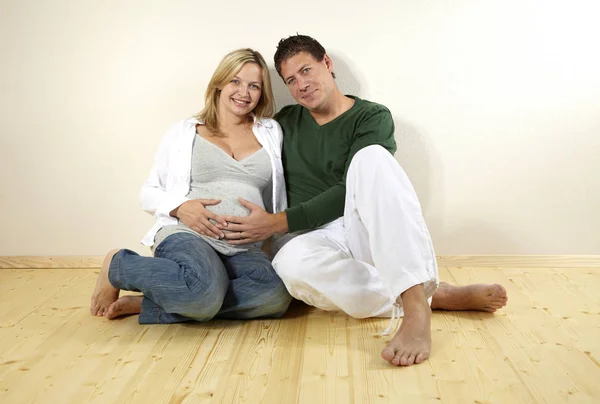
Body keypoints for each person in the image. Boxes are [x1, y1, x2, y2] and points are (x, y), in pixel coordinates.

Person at [216, 35, 508, 367]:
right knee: (289, 265)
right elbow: (238, 139)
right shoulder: (285, 123)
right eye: (291, 80)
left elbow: (348, 190)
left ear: (327, 63)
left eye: (307, 70)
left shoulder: (371, 116)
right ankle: (432, 295)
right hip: (312, 236)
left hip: (366, 225)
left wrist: (278, 221)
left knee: (371, 158)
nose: (301, 85)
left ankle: (414, 312)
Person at [90, 48, 292, 324]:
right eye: (235, 81)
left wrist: (271, 231)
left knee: (275, 296)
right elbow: (148, 192)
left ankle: (157, 301)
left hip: (243, 247)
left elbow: (275, 198)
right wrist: (181, 208)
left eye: (253, 85)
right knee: (204, 292)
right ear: (219, 83)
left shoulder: (270, 132)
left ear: (261, 93)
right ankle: (119, 265)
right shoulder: (185, 132)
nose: (244, 92)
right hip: (189, 235)